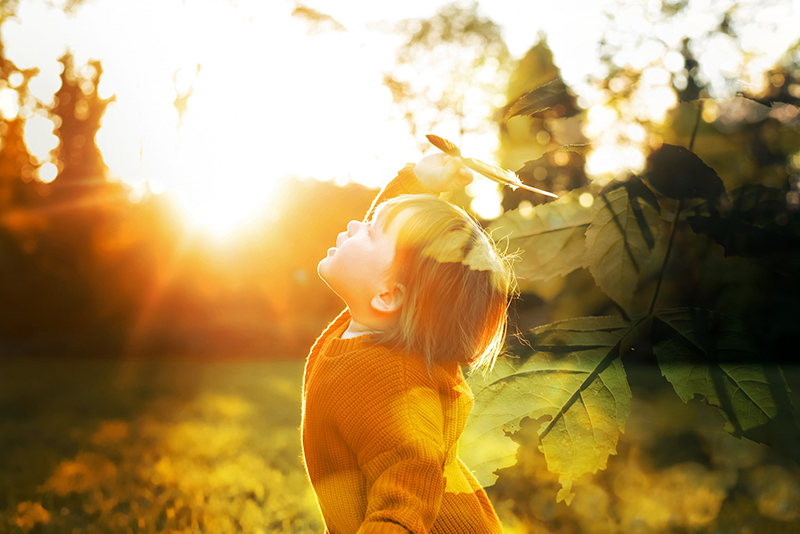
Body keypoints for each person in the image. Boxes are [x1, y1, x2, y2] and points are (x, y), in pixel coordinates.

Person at [301, 152, 515, 533]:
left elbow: (407, 498)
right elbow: (389, 246)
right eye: (367, 223)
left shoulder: (396, 390)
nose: (355, 224)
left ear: (389, 296)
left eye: (368, 231)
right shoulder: (373, 323)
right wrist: (418, 180)